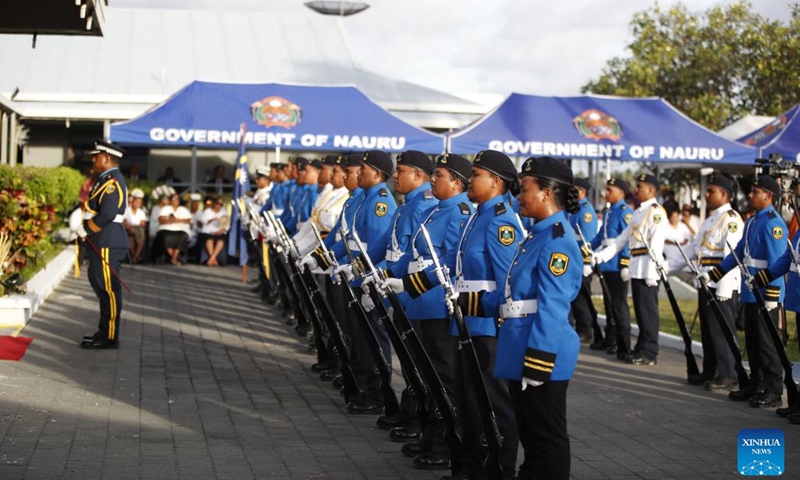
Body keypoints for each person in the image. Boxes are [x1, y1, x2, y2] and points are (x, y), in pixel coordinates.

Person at [386, 150, 522, 480]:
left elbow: (509, 282)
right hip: (466, 323)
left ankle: (498, 469)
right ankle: (472, 467)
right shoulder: (477, 215)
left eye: (476, 175)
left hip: (489, 327)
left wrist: (477, 307)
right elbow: (447, 258)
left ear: (496, 181)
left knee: (492, 405)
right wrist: (408, 284)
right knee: (470, 403)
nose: (470, 180)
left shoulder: (502, 221)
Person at [482, 155, 581, 480]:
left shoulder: (558, 244)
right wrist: (466, 301)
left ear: (547, 193)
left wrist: (538, 363)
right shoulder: (536, 236)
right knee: (532, 439)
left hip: (540, 356)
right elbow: (513, 296)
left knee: (546, 442)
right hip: (519, 346)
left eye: (524, 189)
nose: (518, 196)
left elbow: (553, 309)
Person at [381, 153, 473, 470]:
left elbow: (445, 261)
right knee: (428, 375)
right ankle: (432, 434)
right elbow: (413, 253)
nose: (433, 180)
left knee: (444, 378)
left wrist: (408, 284)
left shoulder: (460, 212)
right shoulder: (437, 210)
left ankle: (446, 442)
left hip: (436, 302)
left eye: (440, 176)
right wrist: (389, 273)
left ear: (458, 183)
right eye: (433, 175)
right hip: (421, 300)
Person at [702, 174, 788, 408]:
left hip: (765, 293)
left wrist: (772, 296)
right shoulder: (752, 221)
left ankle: (772, 389)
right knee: (752, 341)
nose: (750, 195)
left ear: (768, 196)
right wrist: (714, 274)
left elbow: (778, 262)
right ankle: (756, 383)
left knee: (767, 343)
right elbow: (739, 252)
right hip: (751, 291)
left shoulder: (773, 223)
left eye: (756, 192)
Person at [666, 173, 743, 391]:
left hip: (721, 282)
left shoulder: (731, 219)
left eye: (711, 191)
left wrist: (725, 286)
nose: (706, 194)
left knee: (722, 329)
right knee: (709, 330)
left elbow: (732, 255)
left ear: (724, 194)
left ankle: (729, 373)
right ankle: (711, 370)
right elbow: (693, 248)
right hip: (705, 280)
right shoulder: (710, 219)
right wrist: (668, 266)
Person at [595, 173, 667, 366]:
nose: (635, 191)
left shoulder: (656, 211)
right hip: (637, 266)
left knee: (648, 311)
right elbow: (622, 240)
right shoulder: (639, 212)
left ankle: (650, 351)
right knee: (641, 311)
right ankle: (641, 346)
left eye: (639, 187)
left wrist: (653, 272)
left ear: (651, 190)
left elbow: (657, 243)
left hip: (648, 268)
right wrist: (601, 256)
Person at [75, 140, 130, 350]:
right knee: (101, 286)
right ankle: (104, 331)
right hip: (101, 240)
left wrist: (86, 229)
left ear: (105, 158)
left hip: (107, 240)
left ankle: (109, 337)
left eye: (96, 157)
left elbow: (107, 214)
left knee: (109, 290)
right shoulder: (105, 179)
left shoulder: (112, 182)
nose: (93, 160)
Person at [589, 178, 633, 358]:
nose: (606, 193)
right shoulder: (608, 211)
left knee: (618, 305)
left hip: (617, 264)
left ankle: (623, 341)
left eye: (610, 190)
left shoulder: (625, 212)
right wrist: (587, 249)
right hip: (606, 263)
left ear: (621, 193)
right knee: (608, 304)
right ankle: (610, 338)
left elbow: (627, 240)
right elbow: (601, 236)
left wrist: (625, 263)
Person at [569, 177, 598, 343]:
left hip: (582, 261)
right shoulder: (574, 209)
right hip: (575, 260)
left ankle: (585, 330)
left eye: (575, 189)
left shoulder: (585, 211)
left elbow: (588, 240)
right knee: (575, 298)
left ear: (583, 191)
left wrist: (587, 262)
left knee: (582, 299)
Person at [158, 193, 192, 266]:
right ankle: (173, 258)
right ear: (170, 201)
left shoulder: (183, 209)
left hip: (181, 230)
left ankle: (173, 257)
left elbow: (188, 220)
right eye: (174, 199)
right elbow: (161, 220)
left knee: (182, 237)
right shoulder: (165, 209)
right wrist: (171, 221)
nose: (176, 201)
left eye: (177, 199)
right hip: (166, 229)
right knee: (164, 237)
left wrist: (178, 220)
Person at [198, 197, 230, 266]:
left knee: (221, 240)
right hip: (208, 231)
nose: (219, 206)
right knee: (209, 240)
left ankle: (212, 258)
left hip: (220, 232)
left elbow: (227, 224)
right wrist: (212, 219)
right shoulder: (207, 211)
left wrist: (221, 230)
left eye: (221, 204)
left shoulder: (224, 212)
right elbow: (203, 222)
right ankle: (214, 260)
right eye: (217, 203)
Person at [123, 188, 148, 264]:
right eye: (136, 202)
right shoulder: (127, 210)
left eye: (139, 203)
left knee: (141, 237)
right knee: (131, 236)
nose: (137, 204)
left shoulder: (141, 212)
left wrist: (136, 226)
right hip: (128, 229)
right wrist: (132, 227)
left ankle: (135, 257)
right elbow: (125, 222)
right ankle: (134, 257)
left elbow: (143, 223)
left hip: (138, 230)